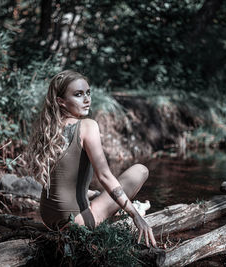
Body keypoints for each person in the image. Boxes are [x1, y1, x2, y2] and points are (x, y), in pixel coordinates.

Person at [26, 70, 156, 247]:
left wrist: (95, 194)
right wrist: (136, 216)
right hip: (74, 222)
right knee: (140, 170)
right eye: (78, 94)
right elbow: (104, 176)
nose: (87, 99)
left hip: (48, 218)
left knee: (96, 192)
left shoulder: (48, 129)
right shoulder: (87, 126)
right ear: (61, 101)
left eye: (88, 93)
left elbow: (61, 184)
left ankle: (115, 206)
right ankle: (133, 209)